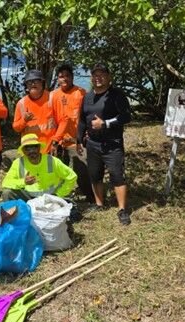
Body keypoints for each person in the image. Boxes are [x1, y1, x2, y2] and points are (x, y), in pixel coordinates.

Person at [77, 63, 132, 225]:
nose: (98, 77)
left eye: (102, 74)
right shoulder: (86, 97)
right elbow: (81, 120)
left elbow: (126, 117)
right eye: (95, 75)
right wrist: (79, 139)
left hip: (112, 143)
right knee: (95, 174)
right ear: (91, 78)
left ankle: (122, 209)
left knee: (117, 175)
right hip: (92, 143)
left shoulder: (116, 95)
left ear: (108, 77)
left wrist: (106, 123)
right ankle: (100, 204)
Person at [51, 63, 94, 203]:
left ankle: (90, 196)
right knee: (59, 171)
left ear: (72, 77)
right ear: (57, 79)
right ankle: (60, 197)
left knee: (82, 169)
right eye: (60, 76)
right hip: (59, 140)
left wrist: (87, 133)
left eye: (67, 76)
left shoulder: (81, 93)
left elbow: (89, 114)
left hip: (78, 140)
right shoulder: (53, 95)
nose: (64, 79)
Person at [1, 133, 77, 201]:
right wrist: (23, 182)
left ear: (39, 148)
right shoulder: (18, 163)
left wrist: (58, 195)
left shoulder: (52, 160)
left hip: (51, 198)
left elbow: (71, 176)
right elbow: (6, 183)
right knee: (7, 193)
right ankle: (17, 215)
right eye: (27, 148)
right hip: (28, 198)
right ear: (23, 151)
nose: (31, 151)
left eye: (34, 147)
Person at [12, 69, 60, 154]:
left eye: (36, 81)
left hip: (50, 149)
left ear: (42, 83)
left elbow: (63, 121)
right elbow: (16, 127)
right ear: (26, 86)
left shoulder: (53, 98)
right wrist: (24, 120)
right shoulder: (21, 103)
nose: (33, 84)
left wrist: (56, 141)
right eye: (29, 82)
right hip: (30, 151)